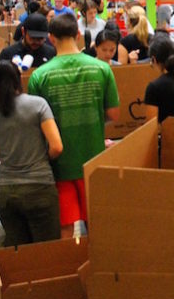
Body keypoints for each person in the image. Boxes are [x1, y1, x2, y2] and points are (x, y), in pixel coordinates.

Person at [27, 14, 119, 238]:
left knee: (65, 228)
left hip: (60, 166)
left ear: (50, 38)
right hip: (93, 161)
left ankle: (68, 270)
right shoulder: (103, 69)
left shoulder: (39, 76)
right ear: (78, 34)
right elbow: (114, 114)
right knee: (97, 226)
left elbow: (36, 125)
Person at [0, 61, 64, 247]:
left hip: (7, 193)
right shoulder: (38, 105)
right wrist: (41, 161)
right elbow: (56, 147)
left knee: (18, 254)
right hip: (39, 188)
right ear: (19, 79)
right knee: (47, 253)